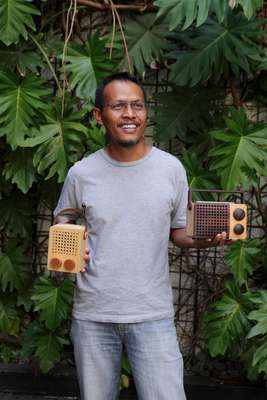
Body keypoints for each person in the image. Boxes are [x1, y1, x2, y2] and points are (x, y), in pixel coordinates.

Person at [54, 72, 227, 400]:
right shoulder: (81, 174)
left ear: (147, 113)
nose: (129, 114)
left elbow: (179, 232)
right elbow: (64, 224)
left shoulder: (171, 169)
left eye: (137, 105)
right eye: (118, 106)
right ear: (98, 115)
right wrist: (71, 247)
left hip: (152, 314)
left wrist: (204, 239)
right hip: (93, 314)